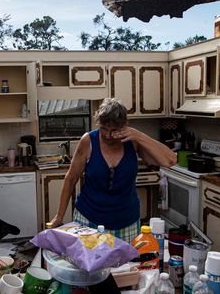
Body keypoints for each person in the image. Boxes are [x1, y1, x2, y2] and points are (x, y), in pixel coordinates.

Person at [48, 98, 177, 243]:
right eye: (104, 129)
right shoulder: (88, 141)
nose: (108, 135)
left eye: (114, 130)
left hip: (126, 223)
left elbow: (170, 160)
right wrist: (59, 216)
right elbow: (70, 179)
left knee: (125, 265)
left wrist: (138, 135)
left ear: (124, 126)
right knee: (90, 264)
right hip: (88, 220)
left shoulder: (132, 141)